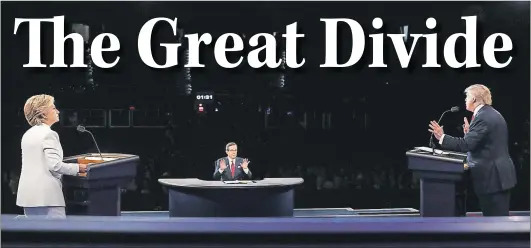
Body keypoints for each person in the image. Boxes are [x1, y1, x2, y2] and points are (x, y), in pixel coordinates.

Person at [429, 84, 517, 216]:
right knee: (496, 222)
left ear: (474, 99)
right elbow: (481, 144)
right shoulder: (489, 113)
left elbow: (466, 145)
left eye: (467, 97)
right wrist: (469, 133)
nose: (465, 100)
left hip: (493, 179)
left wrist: (442, 137)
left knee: (495, 224)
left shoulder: (483, 117)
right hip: (495, 178)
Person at [16, 94, 88, 218]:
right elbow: (55, 166)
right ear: (43, 112)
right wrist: (80, 168)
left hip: (28, 198)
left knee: (36, 236)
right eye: (53, 108)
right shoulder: (49, 134)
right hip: (47, 198)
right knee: (56, 237)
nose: (58, 111)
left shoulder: (27, 134)